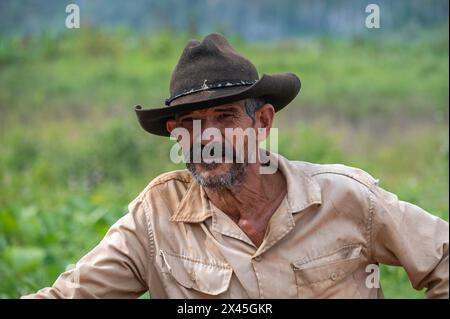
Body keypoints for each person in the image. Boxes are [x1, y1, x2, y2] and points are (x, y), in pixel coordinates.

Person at [23, 33, 448, 299]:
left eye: (225, 117)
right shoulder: (155, 219)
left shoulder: (345, 198)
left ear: (261, 122)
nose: (206, 137)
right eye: (191, 124)